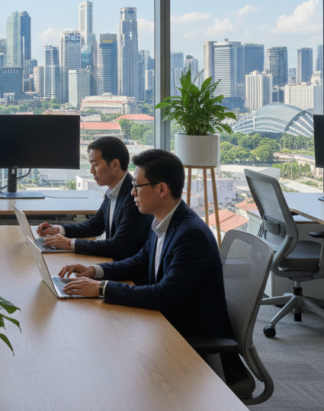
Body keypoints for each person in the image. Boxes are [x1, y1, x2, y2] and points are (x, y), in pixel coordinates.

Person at [58, 149, 243, 381]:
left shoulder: (190, 234)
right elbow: (141, 260)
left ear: (162, 189)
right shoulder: (163, 220)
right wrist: (95, 271)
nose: (132, 192)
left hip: (192, 344)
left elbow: (164, 295)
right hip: (163, 324)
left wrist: (101, 288)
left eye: (137, 186)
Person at [35, 136, 152, 260]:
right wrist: (58, 230)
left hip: (127, 272)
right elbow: (94, 226)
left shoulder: (134, 197)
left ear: (115, 164)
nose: (91, 171)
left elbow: (118, 246)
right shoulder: (114, 191)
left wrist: (70, 244)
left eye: (95, 164)